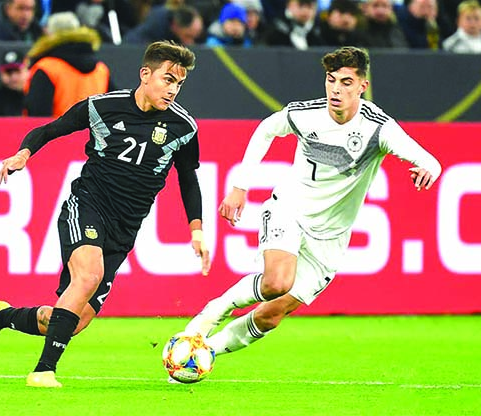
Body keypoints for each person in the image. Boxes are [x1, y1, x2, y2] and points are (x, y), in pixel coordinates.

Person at [0, 40, 211, 388]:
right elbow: (51, 129)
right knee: (88, 275)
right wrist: (23, 154)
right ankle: (43, 370)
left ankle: (0, 316)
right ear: (145, 74)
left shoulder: (183, 127)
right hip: (88, 205)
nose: (172, 89)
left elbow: (188, 178)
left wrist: (196, 230)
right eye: (167, 79)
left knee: (71, 321)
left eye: (179, 83)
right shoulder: (103, 106)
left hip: (125, 228)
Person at [181, 46, 441, 364]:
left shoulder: (378, 128)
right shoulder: (306, 115)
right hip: (290, 209)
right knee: (277, 281)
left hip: (330, 238)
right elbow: (266, 129)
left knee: (270, 316)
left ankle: (201, 354)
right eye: (331, 80)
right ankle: (209, 316)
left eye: (346, 82)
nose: (336, 89)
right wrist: (240, 186)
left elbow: (429, 159)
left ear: (362, 86)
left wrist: (429, 169)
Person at [24, 11, 115, 117]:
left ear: (49, 34)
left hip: (58, 132)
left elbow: (37, 114)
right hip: (91, 132)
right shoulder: (101, 70)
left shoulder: (47, 68)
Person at [124, 3, 204, 46]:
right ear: (175, 26)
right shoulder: (156, 25)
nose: (191, 43)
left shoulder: (201, 33)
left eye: (194, 37)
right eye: (188, 36)